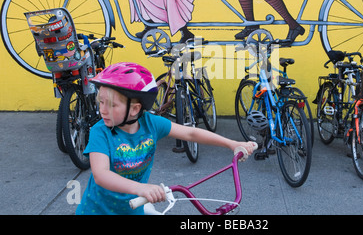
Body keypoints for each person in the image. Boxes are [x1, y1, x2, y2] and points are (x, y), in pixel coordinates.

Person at [75, 62, 255, 215]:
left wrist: (232, 144)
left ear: (135, 109)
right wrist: (140, 188)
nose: (103, 110)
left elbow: (190, 133)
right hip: (98, 210)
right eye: (101, 102)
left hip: (134, 208)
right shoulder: (101, 131)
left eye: (112, 104)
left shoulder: (150, 124)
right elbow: (101, 175)